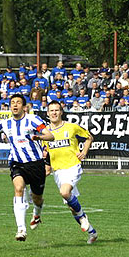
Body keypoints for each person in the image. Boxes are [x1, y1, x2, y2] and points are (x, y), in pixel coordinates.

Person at [0, 94, 55, 241]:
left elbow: (50, 136)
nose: (14, 105)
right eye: (12, 103)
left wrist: (39, 137)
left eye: (18, 102)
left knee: (37, 198)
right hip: (17, 163)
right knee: (18, 188)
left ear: (24, 107)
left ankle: (37, 213)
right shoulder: (5, 123)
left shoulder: (33, 120)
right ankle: (21, 229)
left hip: (36, 164)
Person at [44, 101, 98, 244]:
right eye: (51, 110)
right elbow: (47, 156)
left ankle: (83, 218)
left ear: (61, 112)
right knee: (72, 207)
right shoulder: (45, 133)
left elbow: (89, 137)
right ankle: (92, 232)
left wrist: (84, 152)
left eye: (57, 110)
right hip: (58, 172)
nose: (54, 113)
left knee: (64, 192)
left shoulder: (71, 127)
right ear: (47, 113)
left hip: (73, 166)